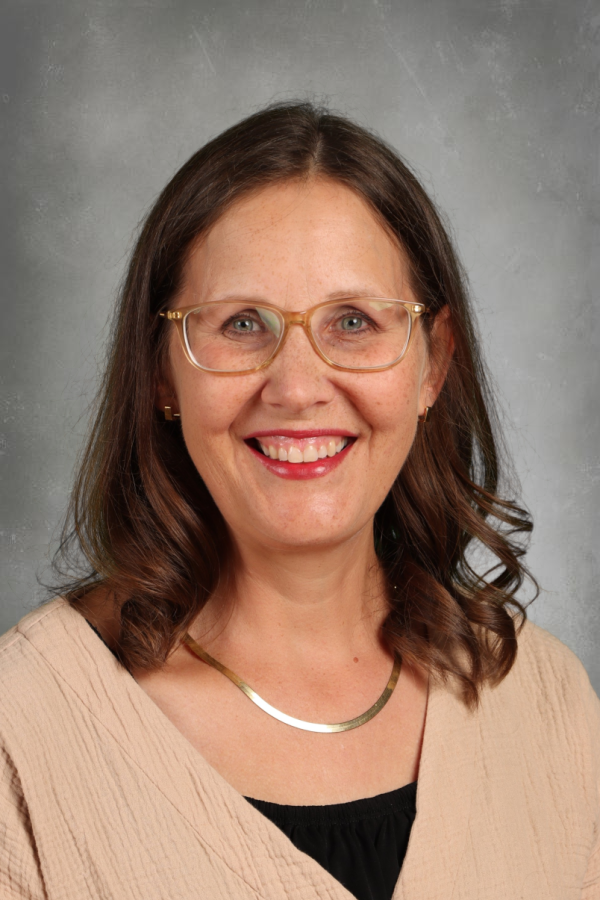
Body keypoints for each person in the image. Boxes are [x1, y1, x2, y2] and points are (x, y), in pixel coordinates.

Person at [0, 102, 598, 900]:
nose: (297, 387)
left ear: (433, 363)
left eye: (353, 321)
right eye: (242, 323)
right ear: (162, 374)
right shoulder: (24, 731)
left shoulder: (546, 700)